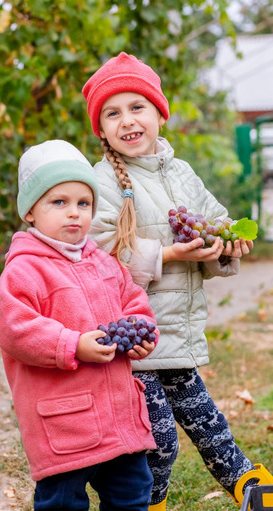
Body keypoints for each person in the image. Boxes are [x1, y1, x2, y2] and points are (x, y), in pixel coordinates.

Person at [82, 52, 273, 510]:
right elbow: (99, 257)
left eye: (137, 107)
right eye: (113, 112)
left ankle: (252, 486)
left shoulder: (181, 172)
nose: (127, 120)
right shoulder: (102, 181)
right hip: (136, 339)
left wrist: (225, 246)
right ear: (102, 128)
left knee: (208, 421)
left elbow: (214, 220)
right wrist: (167, 253)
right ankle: (152, 501)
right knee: (161, 441)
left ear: (159, 113)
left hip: (177, 332)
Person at [0, 139, 162, 511]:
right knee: (63, 502)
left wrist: (141, 331)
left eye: (83, 203)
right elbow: (14, 328)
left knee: (133, 494)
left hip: (120, 421)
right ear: (30, 213)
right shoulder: (24, 269)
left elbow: (135, 302)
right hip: (66, 426)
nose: (74, 213)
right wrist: (72, 344)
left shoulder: (103, 262)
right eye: (59, 202)